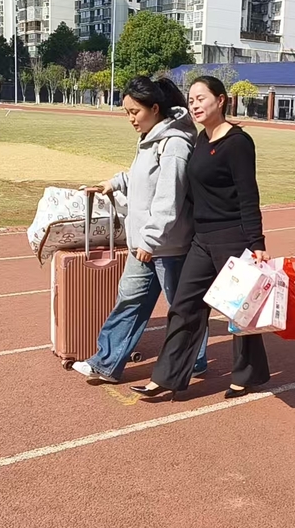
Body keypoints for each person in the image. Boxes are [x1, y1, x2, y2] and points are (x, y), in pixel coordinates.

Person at [130, 75, 273, 400]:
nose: (194, 105)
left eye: (201, 98)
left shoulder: (238, 143)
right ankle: (165, 377)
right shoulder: (199, 141)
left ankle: (247, 374)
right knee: (184, 305)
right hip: (202, 239)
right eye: (191, 99)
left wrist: (257, 243)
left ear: (220, 100)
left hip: (232, 238)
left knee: (240, 311)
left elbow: (248, 196)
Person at [71, 75, 209, 383]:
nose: (131, 119)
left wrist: (150, 240)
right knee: (130, 300)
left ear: (155, 108)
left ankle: (196, 360)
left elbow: (168, 197)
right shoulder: (151, 138)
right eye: (127, 113)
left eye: (135, 112)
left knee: (182, 308)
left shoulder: (174, 144)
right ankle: (106, 363)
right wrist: (115, 182)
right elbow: (143, 178)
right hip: (144, 244)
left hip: (167, 246)